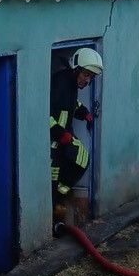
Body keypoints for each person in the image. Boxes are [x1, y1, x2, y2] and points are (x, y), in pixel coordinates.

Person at [50, 48, 102, 223]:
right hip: (53, 142)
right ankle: (54, 212)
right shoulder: (59, 83)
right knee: (53, 177)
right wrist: (59, 133)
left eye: (91, 77)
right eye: (86, 75)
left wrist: (84, 112)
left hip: (62, 139)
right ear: (76, 69)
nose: (88, 80)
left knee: (81, 160)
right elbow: (44, 112)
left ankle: (59, 198)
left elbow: (71, 104)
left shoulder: (70, 83)